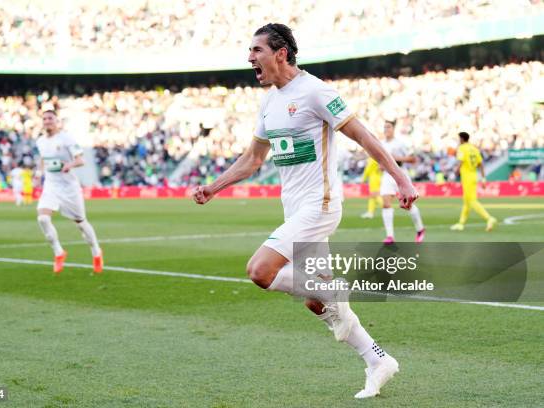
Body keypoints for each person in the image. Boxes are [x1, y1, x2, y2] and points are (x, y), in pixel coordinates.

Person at [192, 23, 419, 399]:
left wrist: (401, 178)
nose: (250, 58)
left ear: (281, 53)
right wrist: (214, 188)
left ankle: (335, 290)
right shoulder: (269, 102)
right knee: (317, 300)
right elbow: (252, 159)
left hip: (321, 205)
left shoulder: (315, 92)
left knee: (260, 271)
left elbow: (363, 135)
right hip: (295, 210)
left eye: (257, 50)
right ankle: (377, 359)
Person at [36, 110, 104, 274]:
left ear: (56, 121)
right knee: (43, 218)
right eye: (44, 119)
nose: (47, 121)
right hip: (51, 185)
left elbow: (81, 160)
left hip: (69, 187)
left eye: (50, 118)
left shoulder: (66, 139)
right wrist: (39, 174)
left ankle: (96, 251)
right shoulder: (40, 141)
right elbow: (43, 159)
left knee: (81, 222)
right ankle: (58, 252)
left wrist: (69, 165)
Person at [379, 120, 425, 244]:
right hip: (387, 176)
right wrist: (382, 165)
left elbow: (413, 158)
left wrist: (396, 159)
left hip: (401, 174)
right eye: (384, 127)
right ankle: (390, 236)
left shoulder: (401, 143)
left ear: (393, 129)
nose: (386, 130)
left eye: (388, 127)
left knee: (407, 205)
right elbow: (381, 160)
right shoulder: (381, 144)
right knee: (386, 203)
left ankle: (420, 229)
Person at [450, 132, 497, 231]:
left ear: (462, 139)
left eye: (459, 139)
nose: (459, 141)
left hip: (466, 177)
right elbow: (481, 164)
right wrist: (483, 178)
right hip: (474, 176)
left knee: (472, 201)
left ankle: (489, 218)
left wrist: (455, 172)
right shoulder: (474, 149)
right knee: (467, 202)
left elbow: (461, 161)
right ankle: (461, 223)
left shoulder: (462, 148)